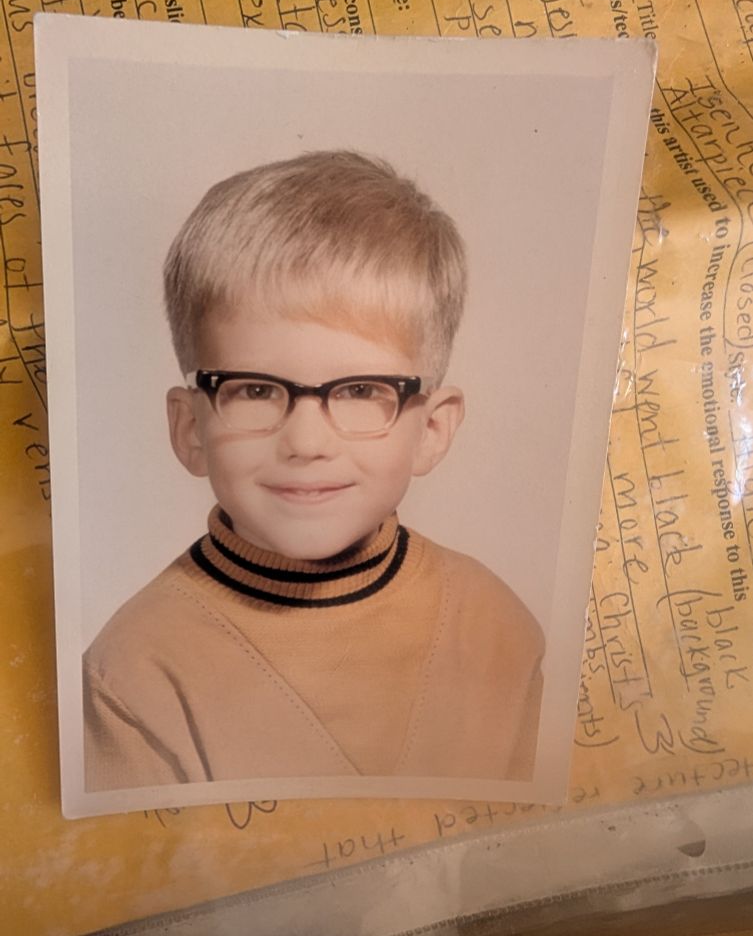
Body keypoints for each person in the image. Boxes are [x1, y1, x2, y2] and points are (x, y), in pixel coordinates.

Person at [83, 151, 544, 792]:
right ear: (190, 429)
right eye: (254, 390)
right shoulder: (134, 672)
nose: (305, 442)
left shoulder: (494, 626)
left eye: (359, 391)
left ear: (432, 430)